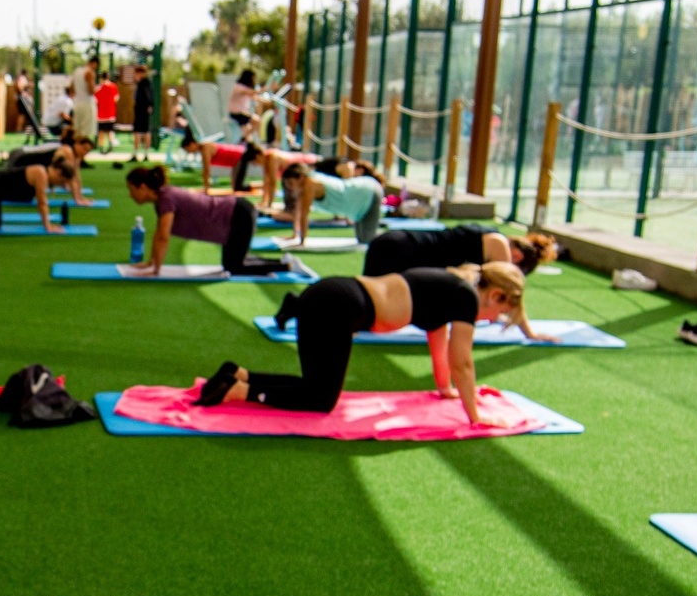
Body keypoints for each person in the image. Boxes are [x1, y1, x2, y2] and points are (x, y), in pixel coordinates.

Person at [196, 262, 530, 424]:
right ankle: (240, 391)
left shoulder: (451, 289)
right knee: (321, 400)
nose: (493, 320)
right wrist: (474, 416)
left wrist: (446, 389)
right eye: (500, 313)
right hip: (340, 306)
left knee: (314, 387)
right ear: (496, 295)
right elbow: (463, 362)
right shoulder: (466, 298)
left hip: (330, 294)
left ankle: (239, 375)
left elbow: (440, 348)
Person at [121, 165, 291, 276]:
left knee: (235, 267)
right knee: (234, 262)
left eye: (131, 190)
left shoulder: (166, 199)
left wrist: (155, 270)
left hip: (238, 215)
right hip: (236, 214)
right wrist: (151, 263)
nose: (130, 195)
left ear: (143, 187)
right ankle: (283, 261)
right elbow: (159, 234)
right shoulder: (162, 199)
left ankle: (286, 266)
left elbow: (163, 237)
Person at [361, 226, 559, 278]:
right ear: (517, 257)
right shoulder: (499, 246)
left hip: (392, 241)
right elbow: (510, 288)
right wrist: (529, 332)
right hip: (400, 250)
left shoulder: (491, 237)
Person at [277, 159, 387, 245]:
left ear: (301, 177)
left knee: (366, 239)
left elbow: (304, 215)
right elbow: (298, 212)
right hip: (358, 200)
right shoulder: (303, 186)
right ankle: (376, 227)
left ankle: (388, 235)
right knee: (362, 238)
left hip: (369, 191)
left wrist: (302, 242)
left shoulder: (310, 184)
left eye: (291, 183)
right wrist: (294, 235)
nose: (290, 187)